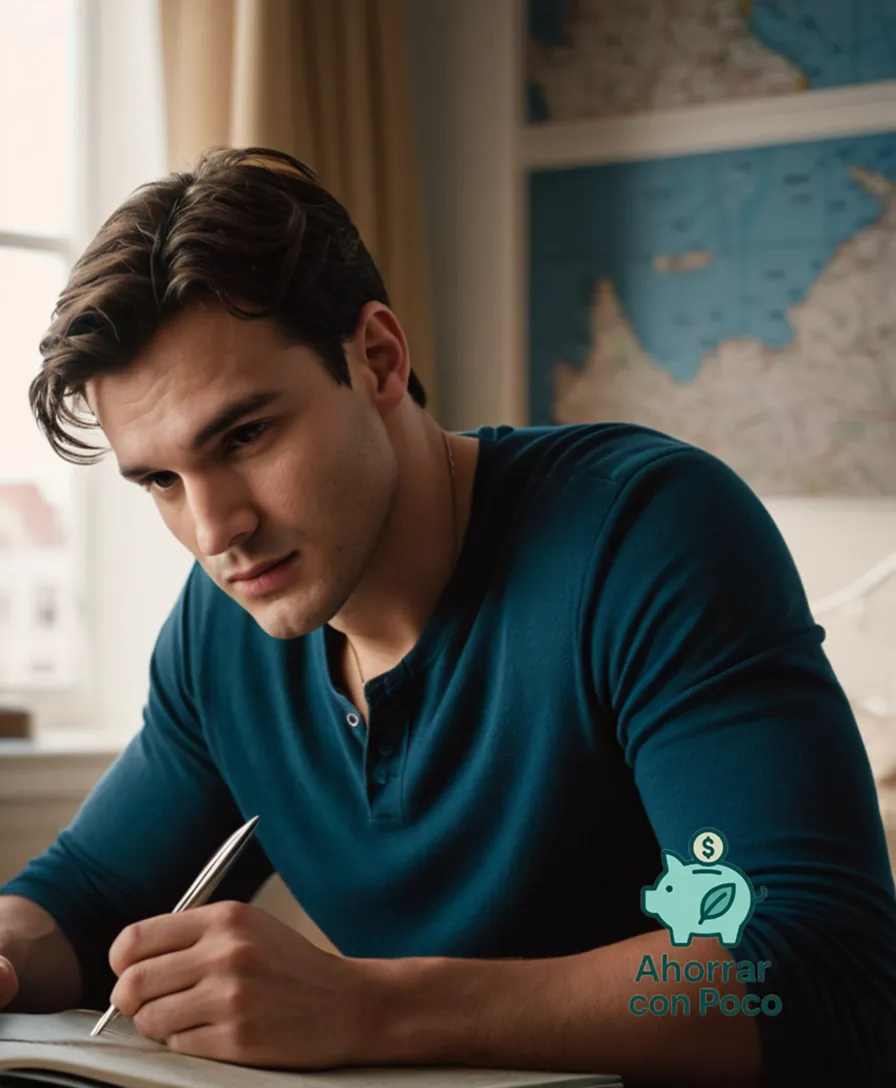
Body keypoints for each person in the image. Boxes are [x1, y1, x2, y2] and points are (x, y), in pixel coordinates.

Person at [0, 146, 894, 1087]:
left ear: (378, 358)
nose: (216, 528)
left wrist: (367, 1006)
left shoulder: (646, 536)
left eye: (247, 435)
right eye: (162, 481)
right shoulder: (225, 625)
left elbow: (812, 970)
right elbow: (88, 896)